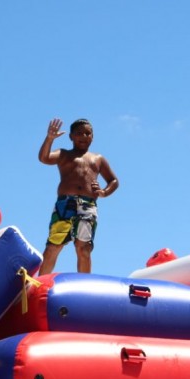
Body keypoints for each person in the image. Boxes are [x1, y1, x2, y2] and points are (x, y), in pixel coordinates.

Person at [38, 117, 119, 275]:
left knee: (84, 248)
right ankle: (40, 285)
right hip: (65, 204)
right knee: (54, 245)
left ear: (92, 136)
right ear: (71, 136)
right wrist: (49, 139)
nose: (84, 136)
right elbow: (44, 158)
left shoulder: (98, 159)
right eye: (79, 133)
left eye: (88, 133)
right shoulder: (63, 154)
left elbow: (113, 181)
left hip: (88, 205)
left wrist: (103, 192)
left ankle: (85, 285)